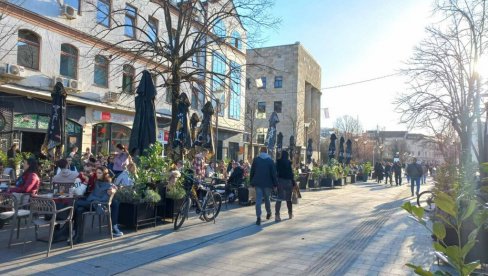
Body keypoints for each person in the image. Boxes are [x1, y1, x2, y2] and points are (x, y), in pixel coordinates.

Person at [72, 167, 122, 243]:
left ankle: (68, 225)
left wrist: (114, 189)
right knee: (79, 210)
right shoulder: (95, 180)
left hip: (98, 205)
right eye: (97, 172)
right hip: (91, 202)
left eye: (99, 173)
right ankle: (78, 236)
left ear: (104, 174)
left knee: (76, 203)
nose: (97, 174)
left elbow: (104, 197)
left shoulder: (107, 184)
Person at [250, 147, 278, 225]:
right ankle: (268, 212)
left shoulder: (256, 160)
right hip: (268, 184)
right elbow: (273, 174)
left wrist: (251, 182)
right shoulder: (270, 161)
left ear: (260, 151)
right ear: (267, 152)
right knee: (267, 199)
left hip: (258, 183)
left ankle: (258, 217)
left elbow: (252, 171)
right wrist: (275, 184)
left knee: (258, 200)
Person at [275, 151, 294, 221]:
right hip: (288, 182)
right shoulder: (289, 163)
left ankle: (277, 215)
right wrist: (293, 183)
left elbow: (276, 173)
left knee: (279, 199)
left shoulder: (278, 162)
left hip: (280, 181)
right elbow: (291, 174)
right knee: (288, 199)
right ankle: (290, 214)